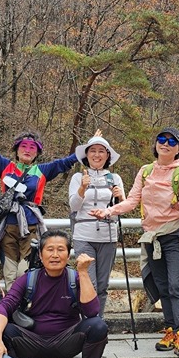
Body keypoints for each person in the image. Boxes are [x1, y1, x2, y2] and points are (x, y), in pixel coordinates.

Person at [91, 127, 179, 357]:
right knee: (162, 286)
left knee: (176, 285)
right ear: (155, 144)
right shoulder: (145, 172)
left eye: (171, 141)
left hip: (174, 237)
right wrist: (109, 211)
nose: (165, 143)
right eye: (161, 139)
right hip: (151, 238)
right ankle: (169, 330)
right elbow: (132, 201)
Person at [0, 230, 110, 358]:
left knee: (98, 326)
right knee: (1, 329)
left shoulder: (75, 278)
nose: (55, 255)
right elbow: (3, 307)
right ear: (41, 255)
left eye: (61, 249)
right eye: (50, 249)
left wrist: (83, 273)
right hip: (31, 343)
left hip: (67, 342)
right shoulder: (28, 279)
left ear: (68, 254)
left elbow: (92, 311)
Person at [0, 109, 79, 288]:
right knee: (10, 273)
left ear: (37, 153)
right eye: (24, 146)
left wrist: (90, 147)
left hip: (30, 226)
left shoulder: (43, 171)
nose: (28, 151)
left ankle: (26, 308)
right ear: (17, 149)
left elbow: (67, 161)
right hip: (9, 226)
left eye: (32, 148)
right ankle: (11, 311)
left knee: (26, 272)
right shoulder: (5, 166)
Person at [69, 135, 126, 316]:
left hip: (108, 236)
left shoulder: (115, 178)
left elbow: (122, 208)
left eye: (101, 151)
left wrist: (120, 197)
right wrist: (82, 189)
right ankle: (86, 323)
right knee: (88, 282)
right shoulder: (78, 177)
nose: (97, 155)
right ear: (86, 155)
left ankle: (97, 324)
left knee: (102, 285)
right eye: (93, 151)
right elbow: (74, 206)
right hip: (83, 237)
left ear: (107, 156)